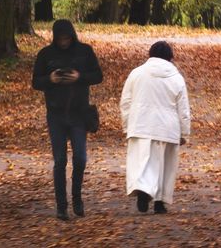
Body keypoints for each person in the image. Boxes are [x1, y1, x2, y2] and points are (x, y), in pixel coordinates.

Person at [32, 19, 103, 221]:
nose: (64, 42)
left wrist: (79, 77)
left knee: (80, 158)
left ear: (72, 36)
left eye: (67, 38)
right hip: (55, 114)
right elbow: (35, 81)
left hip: (79, 113)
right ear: (55, 37)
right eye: (60, 38)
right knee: (60, 161)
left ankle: (77, 198)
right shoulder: (46, 54)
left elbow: (98, 75)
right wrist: (51, 79)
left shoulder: (85, 51)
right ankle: (61, 206)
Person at [120, 40, 190, 215]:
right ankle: (160, 202)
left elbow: (126, 102)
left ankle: (143, 190)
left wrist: (127, 125)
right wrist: (184, 132)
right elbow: (183, 109)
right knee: (165, 166)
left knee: (142, 162)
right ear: (170, 57)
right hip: (168, 127)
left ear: (150, 54)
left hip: (140, 124)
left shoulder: (136, 74)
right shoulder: (176, 78)